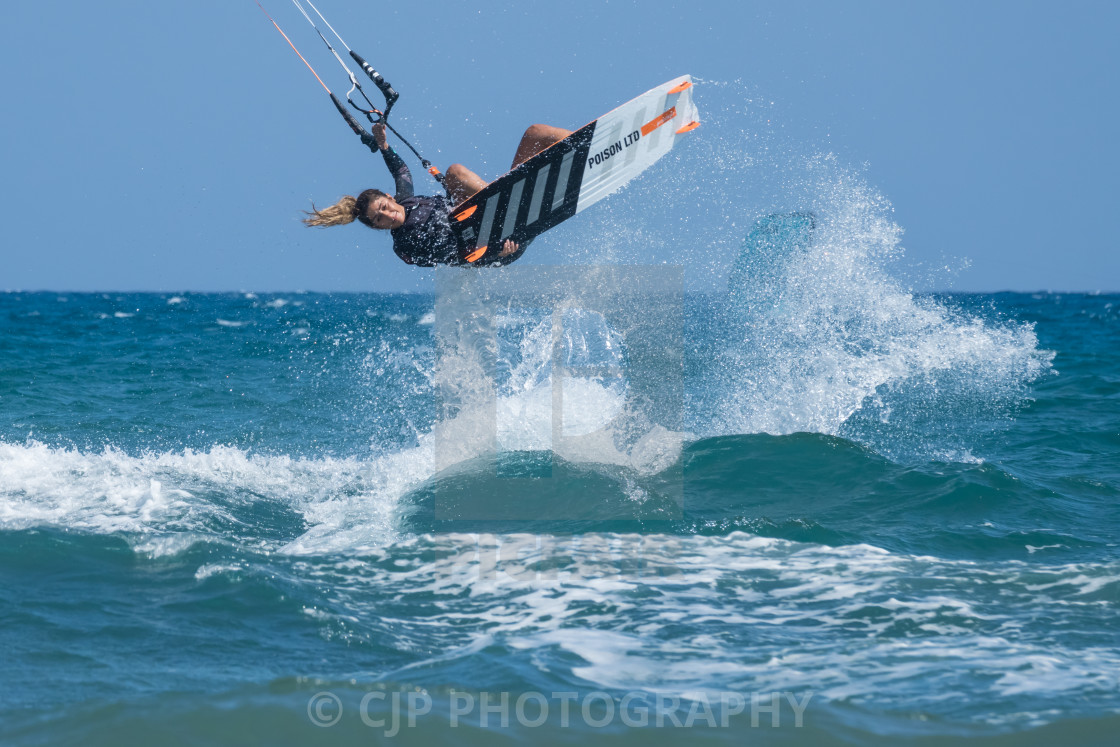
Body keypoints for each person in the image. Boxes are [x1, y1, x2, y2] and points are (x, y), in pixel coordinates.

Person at [303, 122, 572, 266]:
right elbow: (457, 257)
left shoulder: (405, 200)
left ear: (390, 197)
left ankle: (593, 145)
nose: (387, 215)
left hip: (500, 216)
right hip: (499, 244)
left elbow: (402, 172)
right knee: (454, 173)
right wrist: (496, 253)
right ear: (377, 228)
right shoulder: (406, 244)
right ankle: (505, 201)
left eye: (384, 206)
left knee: (535, 133)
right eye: (379, 220)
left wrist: (384, 145)